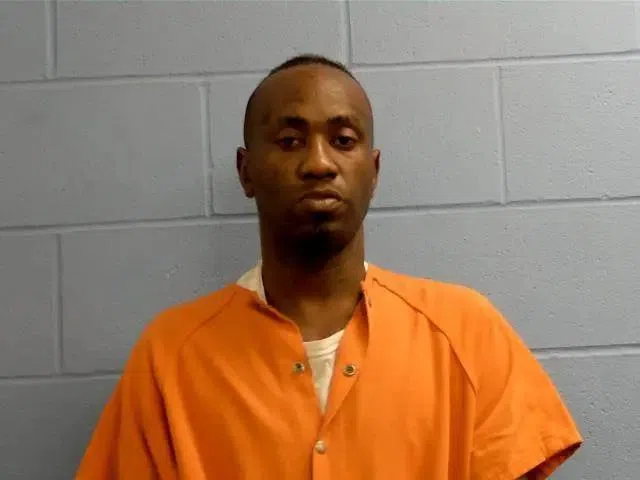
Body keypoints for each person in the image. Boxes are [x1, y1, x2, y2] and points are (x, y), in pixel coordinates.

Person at [76, 54, 582, 479]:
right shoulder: (170, 355)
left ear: (373, 171)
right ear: (246, 172)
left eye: (342, 140)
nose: (319, 163)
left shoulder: (466, 330)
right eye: (290, 141)